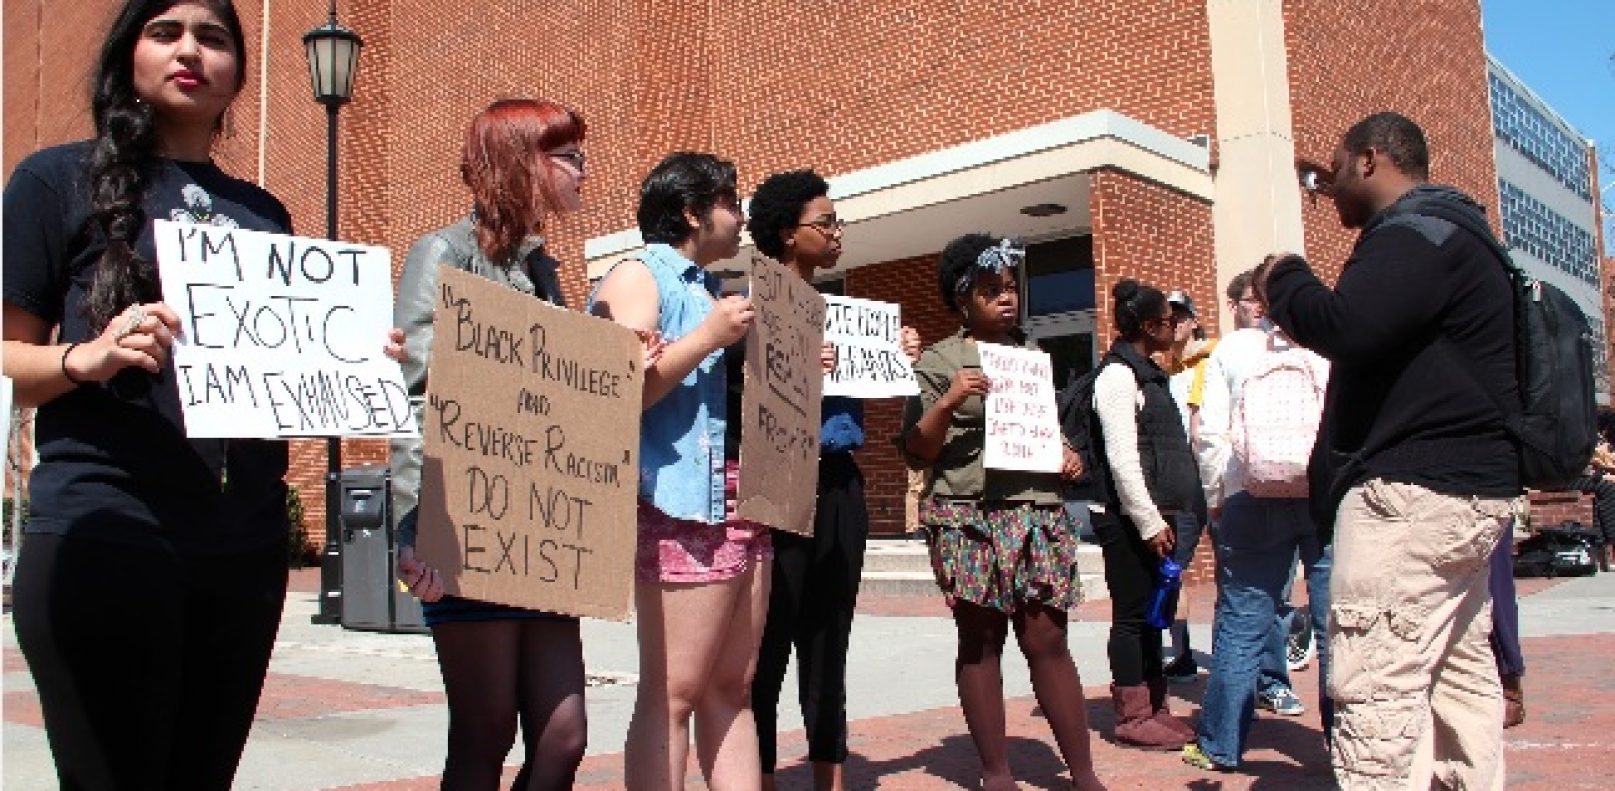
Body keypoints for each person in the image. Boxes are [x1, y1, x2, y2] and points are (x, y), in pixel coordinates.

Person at [1, 2, 394, 787]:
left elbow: (285, 367)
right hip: (106, 525)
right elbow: (11, 353)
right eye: (166, 32)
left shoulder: (264, 213)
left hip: (241, 547)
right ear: (129, 58)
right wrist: (90, 356)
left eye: (214, 38)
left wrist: (356, 357)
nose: (191, 51)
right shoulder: (55, 179)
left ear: (238, 74)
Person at [1268, 111, 1523, 789]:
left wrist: (1284, 277)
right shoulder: (1462, 232)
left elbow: (1344, 326)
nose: (1327, 190)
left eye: (1334, 170)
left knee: (1376, 689)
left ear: (1369, 160)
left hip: (1411, 501)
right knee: (1454, 679)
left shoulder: (1413, 233)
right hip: (1466, 497)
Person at [389, 98, 593, 790]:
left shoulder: (545, 270)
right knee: (484, 734)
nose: (582, 170)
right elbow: (417, 396)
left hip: (541, 534)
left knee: (563, 736)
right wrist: (412, 526)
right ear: (517, 162)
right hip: (467, 529)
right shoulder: (441, 255)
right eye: (567, 155)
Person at [589, 152, 772, 791]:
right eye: (732, 200)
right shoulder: (640, 276)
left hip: (738, 499)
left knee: (732, 686)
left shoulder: (705, 288)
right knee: (672, 694)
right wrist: (707, 339)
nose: (742, 214)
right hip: (677, 505)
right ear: (694, 211)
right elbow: (614, 393)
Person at [900, 234, 1106, 791]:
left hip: (1037, 513)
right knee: (982, 640)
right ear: (963, 299)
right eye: (991, 291)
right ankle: (997, 775)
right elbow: (917, 446)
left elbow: (1044, 430)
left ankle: (1084, 775)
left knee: (1048, 640)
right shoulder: (939, 360)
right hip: (969, 514)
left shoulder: (1033, 358)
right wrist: (949, 399)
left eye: (1010, 288)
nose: (1006, 299)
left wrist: (1065, 454)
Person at [744, 169, 921, 791]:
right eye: (826, 222)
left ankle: (831, 780)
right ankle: (758, 776)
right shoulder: (753, 307)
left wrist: (899, 354)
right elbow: (739, 396)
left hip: (841, 482)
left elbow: (876, 382)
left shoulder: (844, 312)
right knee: (768, 650)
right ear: (788, 235)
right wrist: (788, 361)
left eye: (837, 221)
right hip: (780, 483)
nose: (837, 232)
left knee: (829, 644)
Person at [1182, 259, 1331, 771]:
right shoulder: (1330, 342)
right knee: (1337, 624)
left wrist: (1219, 492)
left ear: (1258, 300)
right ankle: (1347, 744)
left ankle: (1220, 743)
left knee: (1243, 621)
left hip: (1251, 494)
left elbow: (1208, 434)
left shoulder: (1234, 349)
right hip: (1323, 496)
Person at [1086, 279, 1205, 751]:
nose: (1176, 327)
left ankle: (1156, 706)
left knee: (1157, 616)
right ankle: (1132, 716)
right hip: (1128, 521)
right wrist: (1150, 522)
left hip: (1157, 520)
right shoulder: (1118, 377)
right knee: (1133, 618)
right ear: (1150, 325)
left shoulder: (1152, 375)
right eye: (1169, 319)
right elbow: (1122, 459)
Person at [1158, 289, 1211, 684]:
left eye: (1179, 317)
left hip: (1206, 486)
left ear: (1193, 321)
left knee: (1174, 567)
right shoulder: (1170, 373)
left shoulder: (1208, 363)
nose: (1172, 324)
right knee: (1173, 569)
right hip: (1183, 488)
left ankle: (1267, 667)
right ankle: (1182, 654)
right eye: (1166, 318)